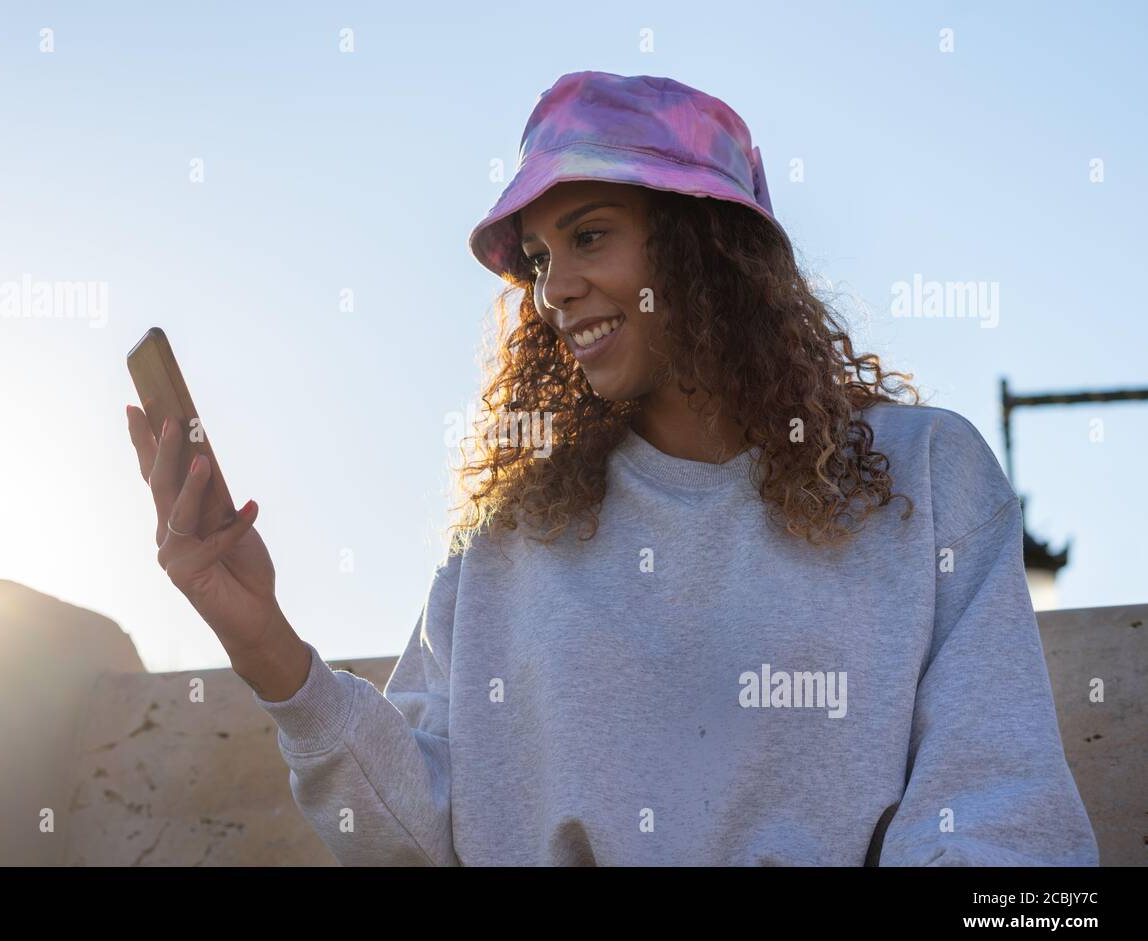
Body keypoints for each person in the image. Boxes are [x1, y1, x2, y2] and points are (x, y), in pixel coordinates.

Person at [124, 71, 1099, 866]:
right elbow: (421, 836)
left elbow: (999, 816)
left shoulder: (925, 476)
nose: (556, 287)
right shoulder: (507, 534)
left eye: (590, 234)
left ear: (707, 245)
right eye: (542, 255)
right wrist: (262, 640)